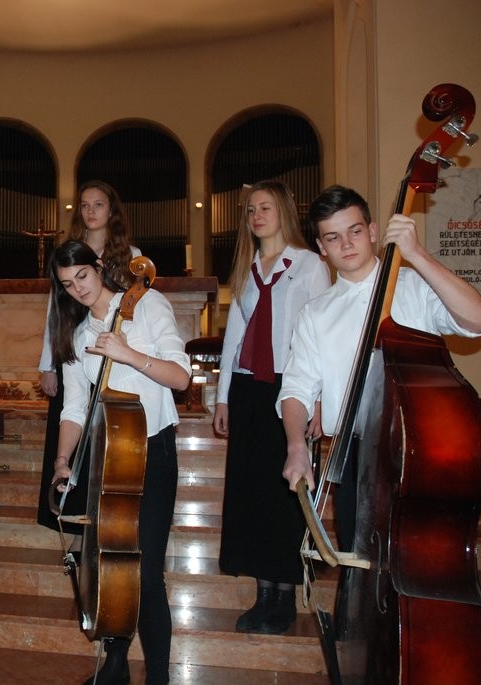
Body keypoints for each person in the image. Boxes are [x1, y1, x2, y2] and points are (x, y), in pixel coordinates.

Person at [279, 186, 481, 537]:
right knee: (356, 559)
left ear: (373, 231)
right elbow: (296, 388)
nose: (346, 244)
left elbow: (480, 321)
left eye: (355, 231)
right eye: (333, 237)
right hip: (353, 455)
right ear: (321, 248)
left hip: (425, 451)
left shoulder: (415, 286)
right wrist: (296, 446)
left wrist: (417, 255)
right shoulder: (315, 314)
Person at [49, 240, 191, 685]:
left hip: (154, 449)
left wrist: (128, 354)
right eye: (67, 285)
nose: (78, 289)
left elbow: (180, 377)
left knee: (146, 572)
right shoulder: (78, 335)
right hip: (108, 454)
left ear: (98, 267)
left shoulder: (146, 305)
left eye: (82, 276)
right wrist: (62, 459)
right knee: (111, 564)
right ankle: (115, 663)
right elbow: (75, 407)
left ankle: (158, 676)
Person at [212, 181, 331, 634]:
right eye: (250, 210)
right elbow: (233, 337)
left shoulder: (309, 265)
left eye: (265, 207)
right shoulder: (246, 268)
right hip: (248, 388)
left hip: (290, 388)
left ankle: (285, 596)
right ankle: (264, 593)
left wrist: (319, 399)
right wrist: (223, 396)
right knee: (252, 493)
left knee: (286, 495)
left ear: (283, 211)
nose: (257, 216)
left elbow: (321, 335)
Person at [36, 180, 140, 536]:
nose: (90, 211)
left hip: (113, 352)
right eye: (84, 205)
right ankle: (72, 521)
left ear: (112, 211)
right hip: (73, 350)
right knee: (72, 421)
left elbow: (134, 308)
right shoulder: (68, 251)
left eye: (98, 204)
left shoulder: (130, 254)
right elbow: (55, 312)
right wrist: (48, 364)